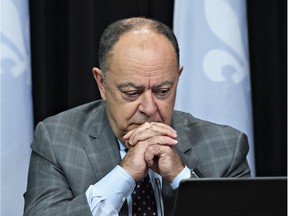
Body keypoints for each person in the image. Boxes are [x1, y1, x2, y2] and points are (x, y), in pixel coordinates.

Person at [24, 17, 250, 216]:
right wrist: (124, 175)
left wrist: (182, 178)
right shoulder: (57, 139)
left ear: (177, 78)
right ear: (102, 84)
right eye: (132, 93)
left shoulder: (226, 147)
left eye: (163, 91)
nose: (149, 108)